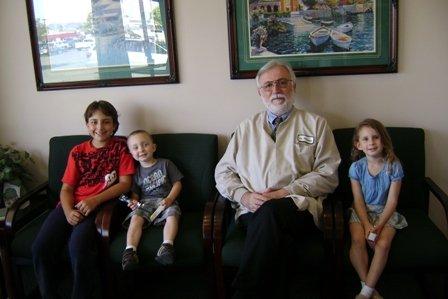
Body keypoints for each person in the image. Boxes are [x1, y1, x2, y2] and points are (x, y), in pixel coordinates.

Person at [214, 60, 341, 298]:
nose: (276, 90)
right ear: (260, 92)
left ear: (293, 86)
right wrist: (244, 195)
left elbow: (329, 174)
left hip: (298, 208)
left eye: (283, 82)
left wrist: (284, 192)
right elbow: (223, 172)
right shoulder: (245, 128)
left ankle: (245, 292)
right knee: (276, 233)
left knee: (272, 211)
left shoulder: (316, 125)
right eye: (269, 85)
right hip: (251, 209)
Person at [32, 100, 135, 299]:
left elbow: (125, 184)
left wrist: (94, 201)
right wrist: (69, 211)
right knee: (40, 246)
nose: (100, 127)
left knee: (78, 246)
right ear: (87, 125)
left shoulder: (121, 149)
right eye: (94, 122)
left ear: (114, 125)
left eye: (106, 122)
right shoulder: (78, 152)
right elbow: (66, 189)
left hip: (102, 207)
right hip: (71, 205)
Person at [348, 119, 407, 299]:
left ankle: (365, 292)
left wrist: (379, 226)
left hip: (385, 213)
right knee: (358, 241)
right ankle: (369, 290)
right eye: (365, 139)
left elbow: (392, 201)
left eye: (375, 137)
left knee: (382, 244)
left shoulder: (393, 166)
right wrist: (366, 225)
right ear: (358, 145)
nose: (371, 142)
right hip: (361, 212)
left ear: (383, 140)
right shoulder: (356, 168)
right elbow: (358, 199)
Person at [121, 130, 183, 270]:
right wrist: (134, 202)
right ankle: (130, 251)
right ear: (131, 153)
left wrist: (170, 198)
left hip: (165, 201)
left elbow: (177, 183)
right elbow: (136, 193)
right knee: (135, 217)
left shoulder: (165, 164)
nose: (141, 149)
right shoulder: (136, 173)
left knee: (173, 215)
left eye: (145, 145)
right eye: (135, 147)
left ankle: (167, 246)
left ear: (153, 147)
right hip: (146, 203)